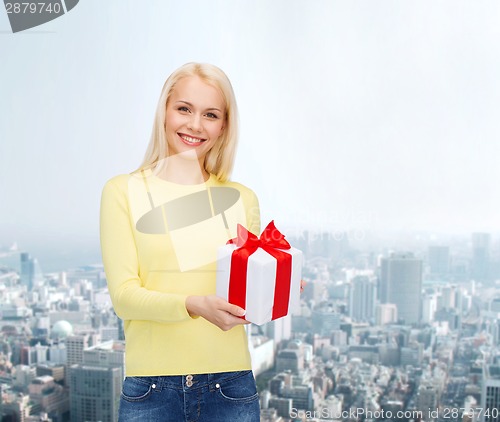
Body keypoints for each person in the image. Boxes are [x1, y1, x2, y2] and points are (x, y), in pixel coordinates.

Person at [100, 63, 262, 421]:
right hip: (151, 390)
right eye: (184, 109)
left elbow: (245, 300)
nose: (195, 125)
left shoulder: (242, 199)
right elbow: (124, 297)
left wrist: (274, 288)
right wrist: (193, 304)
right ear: (165, 111)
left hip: (230, 387)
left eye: (211, 114)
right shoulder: (122, 192)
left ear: (223, 126)